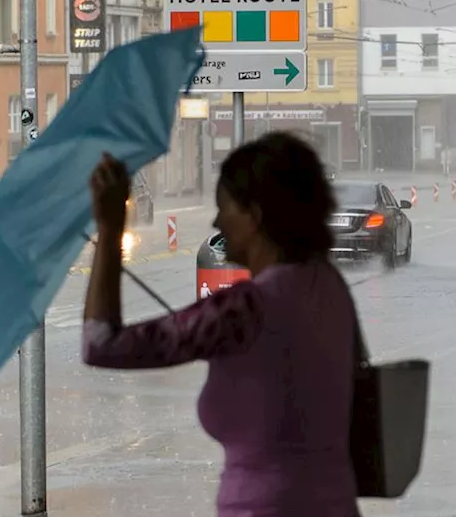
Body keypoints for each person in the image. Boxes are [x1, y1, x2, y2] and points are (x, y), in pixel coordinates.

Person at [81, 132, 361, 517]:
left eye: (224, 207)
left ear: (255, 215)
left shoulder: (245, 308)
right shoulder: (330, 285)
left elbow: (101, 343)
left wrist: (110, 228)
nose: (216, 220)